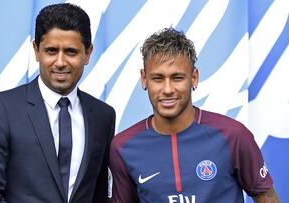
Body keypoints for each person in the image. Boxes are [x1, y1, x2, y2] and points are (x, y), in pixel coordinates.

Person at [108, 27, 280, 203]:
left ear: (194, 78)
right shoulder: (123, 147)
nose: (167, 90)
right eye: (158, 78)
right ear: (144, 79)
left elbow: (267, 198)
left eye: (177, 78)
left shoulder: (233, 135)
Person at [0, 3, 116, 203]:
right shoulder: (0, 109)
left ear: (87, 53)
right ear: (37, 51)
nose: (61, 62)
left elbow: (99, 194)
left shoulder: (103, 116)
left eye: (71, 52)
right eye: (51, 51)